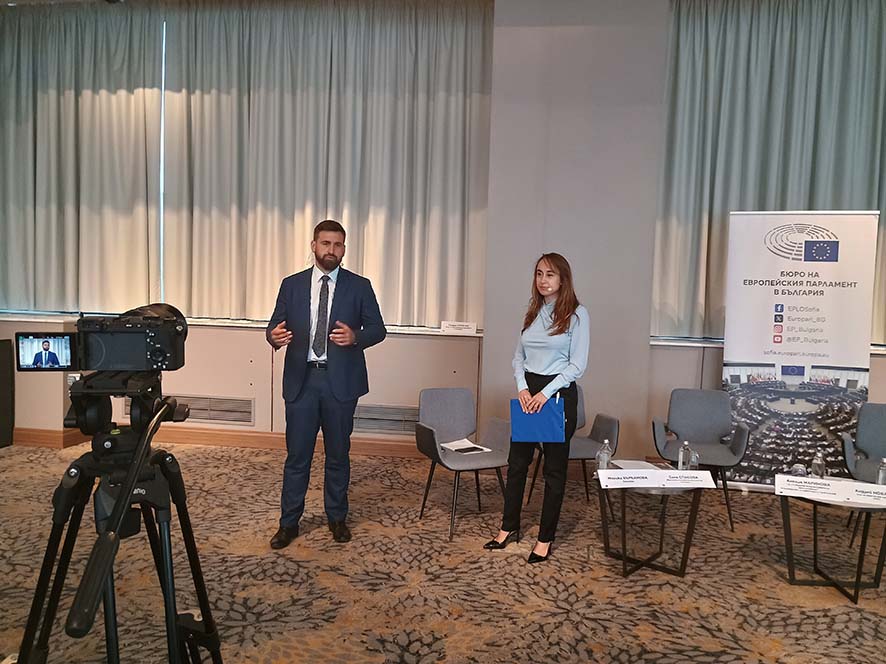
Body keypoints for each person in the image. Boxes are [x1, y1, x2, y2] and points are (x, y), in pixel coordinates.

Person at [267, 219, 386, 549]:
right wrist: (273, 337)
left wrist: (356, 337)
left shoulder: (359, 286)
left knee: (338, 455)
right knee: (297, 457)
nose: (331, 250)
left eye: (337, 245)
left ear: (344, 249)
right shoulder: (291, 285)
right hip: (302, 382)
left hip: (340, 383)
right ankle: (289, 523)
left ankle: (337, 517)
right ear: (314, 246)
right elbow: (274, 326)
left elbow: (378, 329)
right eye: (325, 243)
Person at [484, 253, 590, 563]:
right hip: (528, 392)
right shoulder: (533, 311)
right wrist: (522, 388)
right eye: (539, 273)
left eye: (550, 274)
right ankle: (508, 527)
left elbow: (577, 365)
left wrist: (543, 394)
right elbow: (519, 357)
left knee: (554, 471)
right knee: (517, 464)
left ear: (563, 279)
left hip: (557, 395)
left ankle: (545, 538)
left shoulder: (577, 315)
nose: (543, 280)